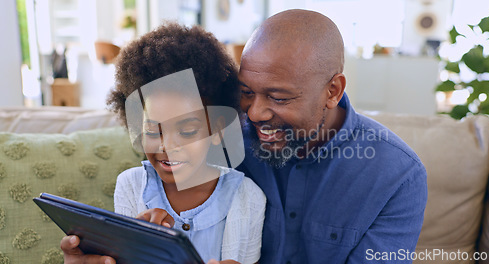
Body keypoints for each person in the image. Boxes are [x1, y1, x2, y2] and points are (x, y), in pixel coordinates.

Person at [61, 9, 427, 264]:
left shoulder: (396, 175)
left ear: (332, 90)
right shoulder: (215, 132)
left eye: (279, 97)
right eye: (247, 92)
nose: (253, 114)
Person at [61, 23, 266, 264]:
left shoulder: (247, 197)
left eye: (187, 130)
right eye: (152, 130)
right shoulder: (131, 186)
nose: (167, 145)